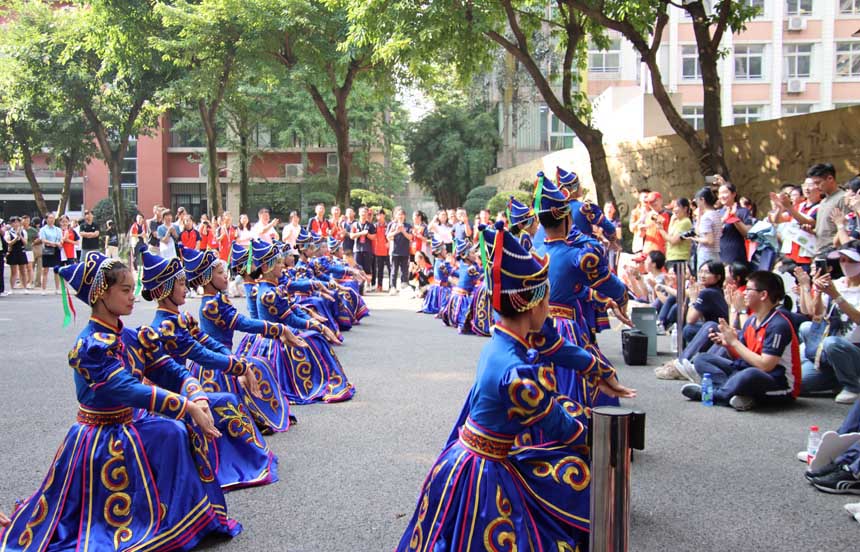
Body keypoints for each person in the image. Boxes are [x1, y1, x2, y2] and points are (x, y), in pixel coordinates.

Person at [396, 221, 632, 551]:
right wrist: (610, 435)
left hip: (466, 457)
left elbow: (552, 343)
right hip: (484, 469)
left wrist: (597, 369)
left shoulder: (504, 336)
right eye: (547, 302)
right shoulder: (519, 374)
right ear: (533, 305)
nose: (549, 310)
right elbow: (566, 431)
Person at [0, 251, 242, 550]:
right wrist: (186, 406)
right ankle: (159, 522)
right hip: (99, 436)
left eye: (132, 288)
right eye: (125, 290)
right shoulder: (91, 346)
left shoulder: (130, 338)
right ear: (102, 293)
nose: (132, 297)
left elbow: (167, 368)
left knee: (176, 433)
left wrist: (194, 390)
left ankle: (182, 521)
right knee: (173, 431)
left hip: (127, 424)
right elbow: (126, 388)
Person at [682, 271, 801, 411]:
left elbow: (766, 365)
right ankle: (736, 393)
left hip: (778, 384)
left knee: (750, 374)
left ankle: (715, 394)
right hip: (748, 370)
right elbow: (740, 356)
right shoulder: (752, 320)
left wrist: (734, 342)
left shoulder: (778, 325)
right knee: (702, 359)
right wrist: (727, 344)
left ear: (763, 295)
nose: (743, 293)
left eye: (749, 290)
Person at [796, 241, 860, 403]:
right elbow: (816, 315)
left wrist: (836, 296)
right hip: (825, 350)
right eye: (842, 260)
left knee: (833, 343)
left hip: (852, 350)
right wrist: (817, 291)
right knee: (797, 383)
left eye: (851, 260)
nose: (845, 264)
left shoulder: (837, 289)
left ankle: (853, 385)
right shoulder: (836, 283)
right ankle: (836, 377)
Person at [717, 180, 753, 265]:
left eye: (725, 192)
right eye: (719, 193)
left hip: (735, 254)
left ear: (733, 194)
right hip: (719, 254)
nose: (722, 196)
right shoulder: (718, 213)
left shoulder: (743, 211)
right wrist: (724, 219)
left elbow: (748, 233)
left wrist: (734, 218)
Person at [691, 186, 722, 270]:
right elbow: (698, 231)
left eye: (697, 201)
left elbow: (709, 240)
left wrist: (695, 239)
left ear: (702, 200)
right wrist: (700, 215)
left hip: (706, 254)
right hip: (716, 253)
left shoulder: (706, 217)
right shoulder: (716, 214)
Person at [387, 207, 413, 295]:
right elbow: (388, 236)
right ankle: (393, 287)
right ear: (396, 216)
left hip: (405, 252)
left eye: (402, 214)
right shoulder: (392, 225)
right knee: (394, 270)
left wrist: (403, 231)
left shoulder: (408, 226)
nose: (400, 216)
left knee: (404, 271)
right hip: (395, 251)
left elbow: (410, 237)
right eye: (399, 214)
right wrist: (397, 231)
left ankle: (404, 287)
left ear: (404, 216)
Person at [38, 213, 63, 294]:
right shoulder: (43, 229)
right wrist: (53, 243)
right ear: (46, 219)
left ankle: (57, 289)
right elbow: (43, 240)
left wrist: (56, 244)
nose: (51, 220)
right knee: (45, 269)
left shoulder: (58, 229)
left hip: (56, 250)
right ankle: (43, 289)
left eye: (53, 218)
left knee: (56, 270)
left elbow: (60, 239)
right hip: (47, 249)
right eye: (50, 218)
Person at [4, 217, 29, 292]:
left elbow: (25, 243)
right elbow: (9, 243)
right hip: (13, 252)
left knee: (23, 270)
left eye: (17, 222)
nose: (16, 224)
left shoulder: (23, 231)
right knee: (13, 271)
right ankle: (12, 288)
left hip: (21, 251)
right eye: (14, 222)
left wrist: (20, 236)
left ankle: (25, 287)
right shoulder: (8, 232)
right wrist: (16, 238)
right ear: (11, 224)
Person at [371, 209, 390, 292]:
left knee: (391, 269)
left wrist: (389, 242)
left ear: (384, 215)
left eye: (380, 214)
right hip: (378, 250)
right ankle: (379, 286)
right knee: (380, 270)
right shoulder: (374, 226)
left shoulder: (388, 225)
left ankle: (391, 286)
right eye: (377, 215)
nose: (378, 216)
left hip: (388, 251)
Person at [22, 215, 40, 289]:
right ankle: (23, 282)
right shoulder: (20, 229)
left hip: (29, 249)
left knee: (30, 267)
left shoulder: (32, 230)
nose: (26, 222)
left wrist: (33, 243)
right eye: (25, 220)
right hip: (21, 250)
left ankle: (30, 282)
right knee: (22, 267)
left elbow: (38, 237)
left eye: (28, 221)